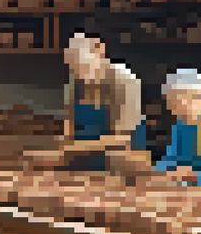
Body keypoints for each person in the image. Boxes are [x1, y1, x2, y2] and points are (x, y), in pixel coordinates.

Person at [59, 32, 147, 171]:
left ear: (100, 54)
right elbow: (69, 124)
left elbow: (122, 138)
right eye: (74, 68)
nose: (79, 74)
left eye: (85, 66)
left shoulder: (124, 80)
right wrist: (62, 148)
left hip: (120, 160)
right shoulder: (76, 79)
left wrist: (75, 148)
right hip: (81, 157)